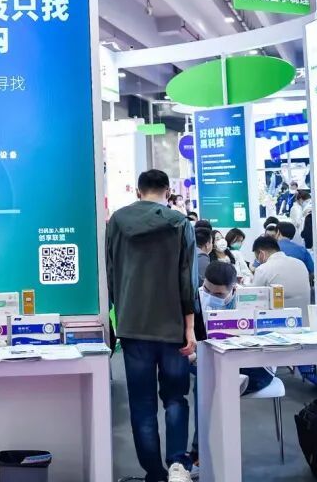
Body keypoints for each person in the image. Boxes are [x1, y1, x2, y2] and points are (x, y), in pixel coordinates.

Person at [106, 169, 195, 482]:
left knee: (142, 404)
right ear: (168, 192)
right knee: (175, 398)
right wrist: (190, 328)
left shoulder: (117, 221)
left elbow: (110, 272)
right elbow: (187, 279)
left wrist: (120, 310)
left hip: (132, 326)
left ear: (138, 191)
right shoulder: (180, 223)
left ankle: (154, 473)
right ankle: (178, 466)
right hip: (172, 326)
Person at [195, 261, 275, 394]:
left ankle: (228, 382)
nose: (210, 296)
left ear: (233, 288)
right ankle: (228, 382)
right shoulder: (198, 296)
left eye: (218, 294)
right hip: (213, 358)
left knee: (210, 379)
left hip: (249, 359)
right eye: (207, 290)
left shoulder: (249, 300)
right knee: (202, 375)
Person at [251, 235, 311, 321]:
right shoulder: (301, 264)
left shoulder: (263, 269)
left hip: (276, 323)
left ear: (261, 254)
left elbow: (254, 300)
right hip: (305, 322)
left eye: (257, 258)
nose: (258, 261)